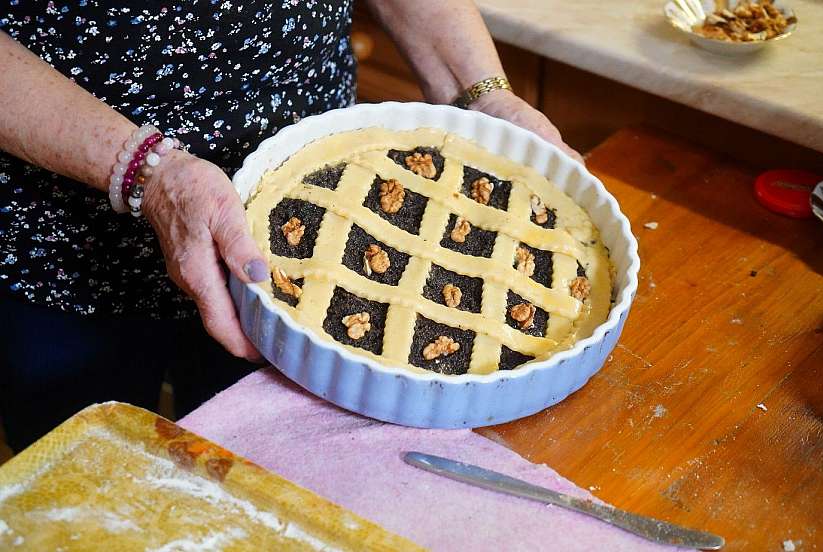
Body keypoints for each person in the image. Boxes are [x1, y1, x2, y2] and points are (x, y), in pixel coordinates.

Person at [0, 0, 580, 451]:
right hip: (63, 243)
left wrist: (480, 93)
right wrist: (146, 172)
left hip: (319, 236)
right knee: (88, 496)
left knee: (271, 488)